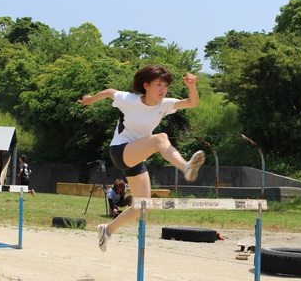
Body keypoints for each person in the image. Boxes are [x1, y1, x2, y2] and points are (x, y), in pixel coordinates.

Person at [77, 64, 205, 251]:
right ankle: (186, 167)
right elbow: (109, 92)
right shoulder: (130, 100)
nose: (163, 90)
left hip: (137, 158)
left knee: (143, 205)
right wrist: (90, 100)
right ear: (146, 85)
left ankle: (107, 230)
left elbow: (192, 103)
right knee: (160, 138)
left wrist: (192, 86)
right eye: (158, 85)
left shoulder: (164, 105)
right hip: (120, 150)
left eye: (166, 86)